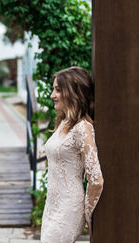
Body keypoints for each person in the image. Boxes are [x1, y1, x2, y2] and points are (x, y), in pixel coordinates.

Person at [40, 66, 104, 243]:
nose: (52, 95)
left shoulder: (83, 128)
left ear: (73, 92)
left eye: (58, 90)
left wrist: (87, 213)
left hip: (69, 207)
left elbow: (96, 180)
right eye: (53, 89)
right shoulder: (64, 122)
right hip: (52, 205)